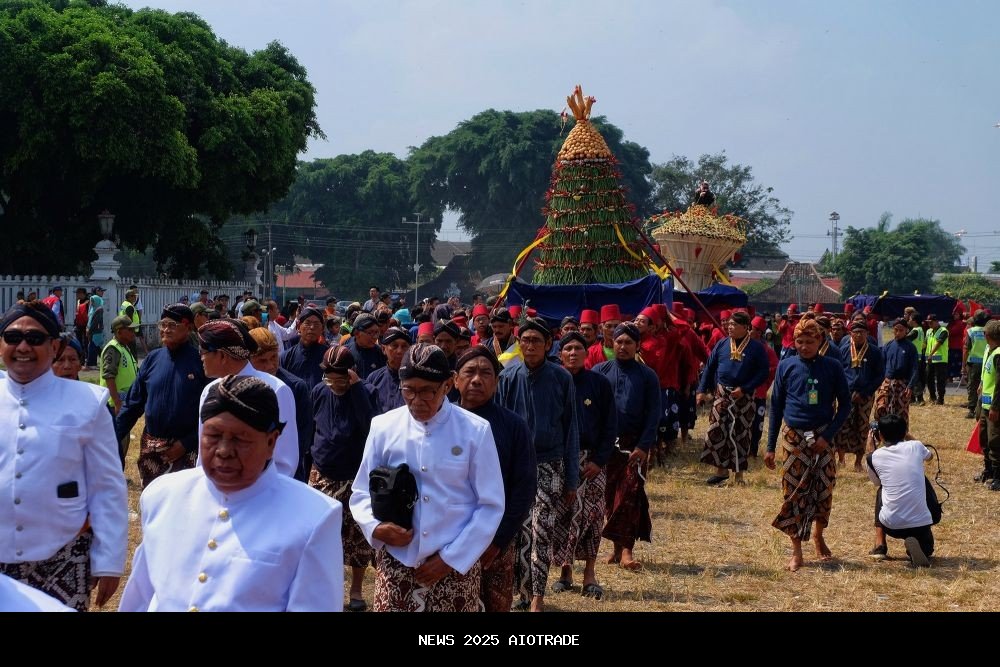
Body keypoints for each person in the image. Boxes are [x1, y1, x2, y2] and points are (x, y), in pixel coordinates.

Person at [119, 375, 344, 611]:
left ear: (271, 443)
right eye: (213, 436)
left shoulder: (314, 517)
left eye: (240, 439)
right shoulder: (163, 495)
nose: (224, 451)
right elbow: (141, 596)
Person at [350, 344, 504, 612]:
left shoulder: (474, 431)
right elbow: (361, 492)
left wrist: (450, 559)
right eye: (408, 389)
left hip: (454, 568)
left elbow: (490, 505)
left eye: (427, 391)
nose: (416, 400)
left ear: (447, 385)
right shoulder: (384, 427)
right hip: (397, 562)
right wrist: (374, 527)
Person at [0, 302, 127, 610]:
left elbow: (107, 487)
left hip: (63, 556)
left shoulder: (87, 402)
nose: (23, 346)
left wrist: (109, 561)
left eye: (35, 338)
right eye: (13, 337)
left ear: (54, 345)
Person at [496, 318, 580, 612]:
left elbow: (571, 428)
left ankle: (537, 598)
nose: (529, 345)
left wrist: (572, 478)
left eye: (535, 340)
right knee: (517, 533)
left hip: (549, 464)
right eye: (525, 340)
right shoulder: (507, 376)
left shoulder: (561, 378)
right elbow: (500, 427)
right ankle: (521, 592)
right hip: (515, 468)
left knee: (541, 532)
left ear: (548, 345)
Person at [454, 346, 536, 613]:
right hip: (449, 538)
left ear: (497, 382)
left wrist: (499, 540)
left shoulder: (513, 426)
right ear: (455, 379)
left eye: (486, 373)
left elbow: (524, 487)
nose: (477, 379)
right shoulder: (441, 422)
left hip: (495, 540)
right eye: (470, 372)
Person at [765, 318, 851, 571]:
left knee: (824, 490)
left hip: (823, 436)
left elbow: (845, 405)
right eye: (799, 342)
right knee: (793, 493)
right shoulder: (787, 366)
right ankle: (796, 551)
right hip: (793, 437)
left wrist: (828, 437)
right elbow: (776, 406)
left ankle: (818, 534)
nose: (804, 347)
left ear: (820, 341)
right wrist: (770, 447)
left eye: (810, 342)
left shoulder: (833, 367)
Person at [309, 345, 378, 612]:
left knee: (357, 539)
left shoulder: (366, 393)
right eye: (330, 379)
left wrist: (357, 390)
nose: (335, 385)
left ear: (352, 374)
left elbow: (371, 426)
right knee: (322, 537)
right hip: (323, 474)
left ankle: (357, 589)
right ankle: (326, 588)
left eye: (341, 380)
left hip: (355, 477)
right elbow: (312, 431)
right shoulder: (319, 391)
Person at [551, 331, 616, 600]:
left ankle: (590, 574)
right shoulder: (553, 381)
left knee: (592, 517)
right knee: (562, 516)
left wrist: (599, 460)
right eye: (568, 349)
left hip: (592, 461)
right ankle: (565, 572)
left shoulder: (598, 383)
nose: (573, 353)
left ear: (586, 353)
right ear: (560, 354)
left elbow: (610, 424)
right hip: (560, 460)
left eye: (578, 348)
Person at [116, 305, 210, 485]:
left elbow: (210, 412)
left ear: (188, 327)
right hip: (152, 449)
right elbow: (133, 404)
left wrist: (186, 443)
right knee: (153, 504)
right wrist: (112, 435)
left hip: (187, 451)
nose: (166, 330)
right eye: (163, 324)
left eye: (172, 325)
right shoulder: (153, 359)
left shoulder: (200, 361)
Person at [593, 322, 659, 571]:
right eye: (619, 341)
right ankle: (616, 549)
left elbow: (653, 414)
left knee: (630, 494)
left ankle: (628, 551)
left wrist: (643, 446)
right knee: (611, 498)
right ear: (612, 342)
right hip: (606, 446)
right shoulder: (600, 372)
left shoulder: (648, 376)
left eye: (628, 342)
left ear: (637, 345)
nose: (622, 346)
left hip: (635, 447)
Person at [196, 319, 300, 478]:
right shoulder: (209, 391)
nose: (201, 357)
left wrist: (252, 496)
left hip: (261, 496)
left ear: (222, 355)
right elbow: (203, 457)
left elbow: (284, 463)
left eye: (203, 351)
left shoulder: (275, 389)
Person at [697, 311, 769, 485]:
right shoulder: (721, 344)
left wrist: (745, 388)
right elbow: (709, 367)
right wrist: (701, 390)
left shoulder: (756, 348)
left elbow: (763, 372)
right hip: (722, 394)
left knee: (741, 434)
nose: (729, 327)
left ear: (745, 327)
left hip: (743, 397)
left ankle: (739, 475)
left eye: (734, 325)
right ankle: (721, 472)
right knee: (717, 431)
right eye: (729, 324)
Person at [865, 414, 935, 567]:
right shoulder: (916, 446)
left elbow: (877, 482)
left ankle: (880, 545)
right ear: (904, 433)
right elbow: (929, 457)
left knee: (882, 490)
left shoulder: (874, 456)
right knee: (928, 549)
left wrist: (870, 451)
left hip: (892, 526)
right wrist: (908, 436)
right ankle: (917, 549)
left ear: (880, 435)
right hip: (921, 524)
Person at [248, 326, 314, 483]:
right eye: (262, 360)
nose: (270, 365)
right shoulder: (240, 384)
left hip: (288, 474)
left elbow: (302, 438)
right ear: (248, 360)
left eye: (273, 358)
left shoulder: (295, 387)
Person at [833, 321, 884, 471]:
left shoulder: (875, 352)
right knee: (843, 426)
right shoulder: (843, 350)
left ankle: (858, 461)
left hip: (865, 396)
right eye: (856, 332)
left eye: (862, 332)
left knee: (861, 426)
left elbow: (879, 375)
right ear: (850, 334)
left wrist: (865, 392)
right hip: (846, 395)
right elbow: (839, 372)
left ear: (867, 334)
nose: (859, 335)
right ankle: (841, 459)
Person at [872, 318, 918, 425]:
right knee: (881, 411)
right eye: (896, 329)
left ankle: (900, 438)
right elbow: (881, 366)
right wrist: (879, 383)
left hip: (902, 386)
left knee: (900, 416)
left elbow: (915, 368)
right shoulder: (888, 346)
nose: (898, 332)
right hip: (887, 384)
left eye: (901, 330)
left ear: (906, 330)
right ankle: (883, 436)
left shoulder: (911, 347)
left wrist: (910, 386)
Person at [748, 316, 779, 458]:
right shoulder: (743, 345)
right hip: (744, 390)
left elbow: (774, 368)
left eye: (751, 329)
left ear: (758, 332)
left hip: (758, 392)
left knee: (757, 423)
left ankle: (753, 451)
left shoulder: (767, 350)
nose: (749, 332)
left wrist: (764, 383)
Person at [975, 320, 1000, 489]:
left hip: (994, 405)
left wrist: (995, 407)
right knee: (983, 437)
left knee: (995, 440)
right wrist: (981, 384)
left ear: (989, 335)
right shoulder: (989, 350)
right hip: (984, 403)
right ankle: (988, 470)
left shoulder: (999, 353)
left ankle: (998, 476)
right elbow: (988, 373)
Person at [279, 307, 329, 389]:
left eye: (316, 324)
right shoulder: (286, 357)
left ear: (322, 329)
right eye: (307, 323)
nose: (312, 327)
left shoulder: (328, 356)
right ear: (299, 326)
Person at [365, 327, 410, 414]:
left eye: (404, 346)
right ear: (383, 349)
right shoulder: (374, 378)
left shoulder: (417, 380)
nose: (399, 351)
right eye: (394, 346)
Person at [100, 316, 138, 416]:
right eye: (130, 329)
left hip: (123, 401)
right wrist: (117, 402)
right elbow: (109, 376)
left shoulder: (124, 347)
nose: (133, 332)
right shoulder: (113, 349)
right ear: (119, 332)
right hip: (113, 405)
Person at [342, 313, 386, 382]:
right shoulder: (344, 353)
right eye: (370, 333)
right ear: (356, 333)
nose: (375, 337)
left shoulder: (381, 354)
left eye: (377, 332)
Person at [963, 310, 989, 419]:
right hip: (987, 361)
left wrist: (963, 365)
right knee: (986, 385)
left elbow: (966, 349)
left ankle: (971, 409)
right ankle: (983, 407)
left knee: (972, 386)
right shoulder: (989, 331)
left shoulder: (970, 331)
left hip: (973, 363)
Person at [585, 304, 621, 369]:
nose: (612, 330)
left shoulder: (627, 349)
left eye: (616, 326)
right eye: (608, 326)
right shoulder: (592, 352)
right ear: (601, 328)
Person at [924, 314, 949, 405]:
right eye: (928, 322)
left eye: (931, 322)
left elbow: (939, 343)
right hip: (929, 360)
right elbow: (926, 343)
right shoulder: (928, 331)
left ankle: (940, 398)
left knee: (940, 380)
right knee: (929, 378)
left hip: (940, 360)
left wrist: (931, 354)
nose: (929, 324)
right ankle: (932, 396)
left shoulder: (943, 331)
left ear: (936, 321)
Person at [85, 288, 105, 369]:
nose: (91, 302)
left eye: (93, 301)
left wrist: (89, 330)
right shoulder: (93, 309)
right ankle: (93, 363)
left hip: (95, 331)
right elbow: (90, 320)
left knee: (93, 347)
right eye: (91, 300)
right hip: (93, 330)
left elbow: (95, 322)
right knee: (95, 347)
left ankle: (92, 364)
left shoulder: (98, 310)